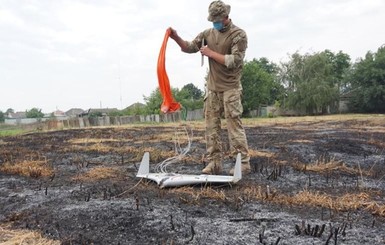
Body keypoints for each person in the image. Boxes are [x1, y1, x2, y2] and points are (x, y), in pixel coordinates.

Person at [169, 0, 250, 175]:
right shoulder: (207, 34)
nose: (215, 23)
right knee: (211, 128)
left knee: (233, 126)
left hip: (231, 89)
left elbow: (235, 61)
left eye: (218, 20)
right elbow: (189, 47)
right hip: (212, 89)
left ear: (226, 17)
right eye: (212, 20)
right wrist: (175, 37)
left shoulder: (238, 35)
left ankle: (242, 163)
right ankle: (214, 163)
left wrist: (211, 53)